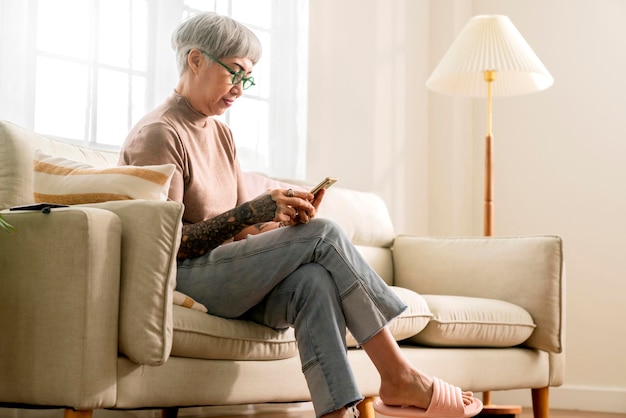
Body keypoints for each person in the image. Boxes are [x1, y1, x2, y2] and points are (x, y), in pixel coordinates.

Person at [119, 12, 482, 418]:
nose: (241, 88)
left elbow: (244, 231)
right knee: (324, 235)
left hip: (225, 276)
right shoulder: (159, 133)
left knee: (313, 280)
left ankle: (335, 413)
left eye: (248, 78)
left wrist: (281, 222)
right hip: (185, 276)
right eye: (235, 72)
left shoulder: (219, 132)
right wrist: (257, 210)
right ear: (196, 60)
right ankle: (398, 375)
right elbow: (167, 245)